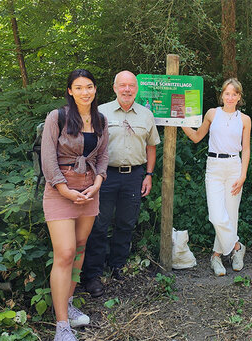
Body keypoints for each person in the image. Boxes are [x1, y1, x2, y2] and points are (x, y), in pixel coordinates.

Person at [41, 69, 109, 340]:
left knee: (79, 248)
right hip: (60, 191)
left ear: (95, 90)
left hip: (90, 190)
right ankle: (62, 326)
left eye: (89, 87)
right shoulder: (57, 117)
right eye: (79, 87)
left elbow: (103, 156)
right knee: (65, 253)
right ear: (70, 91)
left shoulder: (101, 120)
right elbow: (48, 158)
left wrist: (98, 182)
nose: (85, 92)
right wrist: (64, 190)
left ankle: (68, 304)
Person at [82, 71, 160, 297]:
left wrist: (149, 174)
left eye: (131, 86)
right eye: (122, 85)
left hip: (134, 175)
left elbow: (152, 147)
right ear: (114, 87)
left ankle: (117, 266)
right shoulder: (100, 112)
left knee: (126, 223)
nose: (127, 90)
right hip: (104, 176)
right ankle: (93, 274)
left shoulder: (146, 115)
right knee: (99, 224)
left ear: (137, 89)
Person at [181, 78, 251, 276]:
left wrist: (244, 174)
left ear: (239, 97)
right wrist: (180, 122)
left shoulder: (244, 119)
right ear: (222, 95)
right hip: (214, 167)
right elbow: (196, 137)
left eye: (234, 94)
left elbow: (246, 149)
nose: (230, 97)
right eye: (227, 93)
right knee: (217, 216)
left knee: (231, 214)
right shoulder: (212, 114)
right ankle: (237, 246)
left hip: (234, 166)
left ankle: (217, 256)